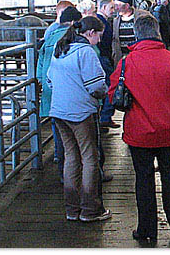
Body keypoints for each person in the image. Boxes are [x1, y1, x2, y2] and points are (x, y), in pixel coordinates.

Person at [108, 14, 170, 242]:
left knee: (144, 179)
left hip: (139, 133)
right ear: (158, 33)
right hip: (169, 131)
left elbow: (114, 95)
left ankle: (147, 231)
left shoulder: (127, 63)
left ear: (137, 34)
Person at [47, 16, 111, 222]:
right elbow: (96, 86)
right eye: (99, 36)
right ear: (90, 33)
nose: (100, 41)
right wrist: (104, 94)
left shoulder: (61, 48)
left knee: (71, 157)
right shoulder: (86, 52)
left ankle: (72, 208)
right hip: (81, 113)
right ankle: (90, 209)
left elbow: (49, 80)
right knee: (90, 158)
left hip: (58, 112)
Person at [36, 6, 83, 181]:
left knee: (57, 125)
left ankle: (59, 158)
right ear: (72, 22)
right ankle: (75, 169)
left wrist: (42, 80)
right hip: (68, 88)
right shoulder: (71, 38)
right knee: (75, 132)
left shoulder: (49, 36)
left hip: (51, 88)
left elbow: (40, 64)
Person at [95, 0, 119, 129]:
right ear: (103, 7)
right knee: (111, 85)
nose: (113, 10)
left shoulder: (103, 20)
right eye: (111, 8)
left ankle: (105, 116)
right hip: (102, 57)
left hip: (104, 57)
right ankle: (105, 116)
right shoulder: (100, 22)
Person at [111, 0, 149, 68]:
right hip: (123, 59)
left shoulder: (143, 16)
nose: (115, 8)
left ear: (127, 5)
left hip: (140, 58)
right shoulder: (115, 20)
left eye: (118, 5)